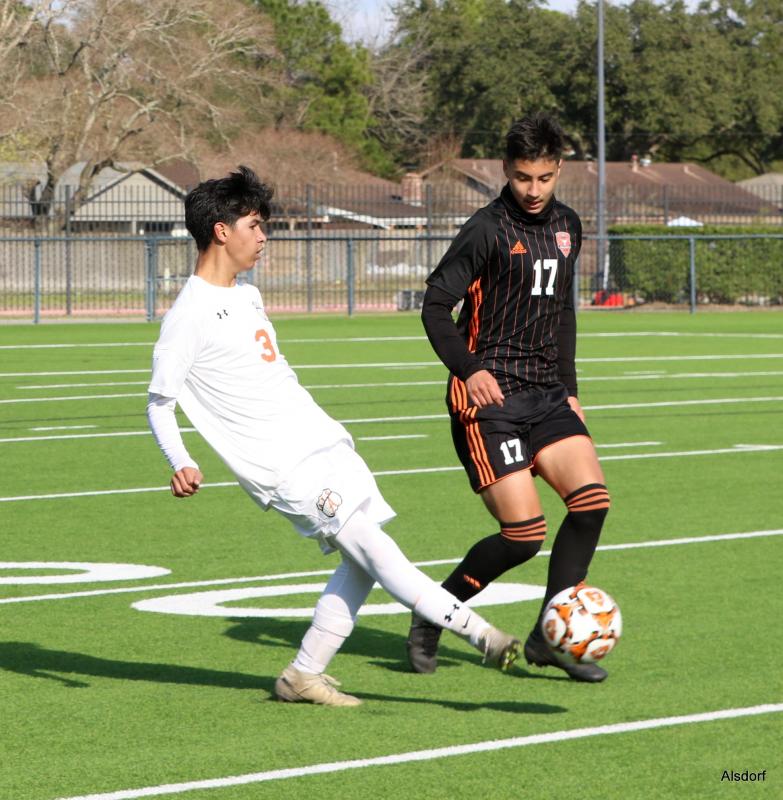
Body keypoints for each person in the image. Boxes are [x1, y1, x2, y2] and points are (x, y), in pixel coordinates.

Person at [146, 165, 522, 707]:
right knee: (377, 550)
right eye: (254, 225)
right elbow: (159, 402)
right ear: (221, 231)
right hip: (284, 468)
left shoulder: (246, 295)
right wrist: (179, 459)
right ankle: (482, 634)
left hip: (321, 443)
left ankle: (302, 674)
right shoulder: (188, 315)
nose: (263, 236)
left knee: (360, 564)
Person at [405, 113, 611, 683]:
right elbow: (433, 308)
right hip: (488, 401)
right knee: (524, 536)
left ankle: (552, 638)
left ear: (559, 170)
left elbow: (563, 313)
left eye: (545, 177)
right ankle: (432, 612)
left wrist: (570, 392)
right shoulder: (485, 229)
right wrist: (468, 370)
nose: (534, 190)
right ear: (505, 170)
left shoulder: (568, 224)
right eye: (523, 177)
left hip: (546, 393)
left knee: (591, 504)